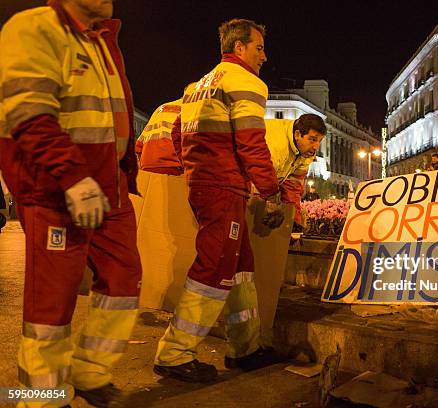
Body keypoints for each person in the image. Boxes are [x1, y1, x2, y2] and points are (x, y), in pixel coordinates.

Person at [0, 0, 142, 406]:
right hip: (56, 189)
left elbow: (114, 117)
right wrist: (73, 178)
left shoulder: (101, 39)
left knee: (124, 279)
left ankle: (90, 372)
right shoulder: (34, 28)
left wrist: (121, 173)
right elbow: (29, 113)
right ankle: (43, 396)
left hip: (107, 186)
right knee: (52, 303)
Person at [154, 18, 283, 382]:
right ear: (238, 48)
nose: (264, 55)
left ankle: (246, 348)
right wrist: (270, 192)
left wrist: (195, 168)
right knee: (214, 267)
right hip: (224, 188)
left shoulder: (196, 87)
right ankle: (175, 353)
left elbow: (178, 132)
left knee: (239, 265)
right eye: (258, 47)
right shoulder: (245, 81)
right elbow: (251, 142)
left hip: (205, 185)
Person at [265, 114, 326, 223]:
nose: (316, 146)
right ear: (297, 134)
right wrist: (272, 202)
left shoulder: (306, 152)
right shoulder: (276, 145)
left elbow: (292, 187)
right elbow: (259, 178)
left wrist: (294, 221)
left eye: (319, 141)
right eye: (313, 139)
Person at [135, 99, 183, 175]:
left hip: (147, 166)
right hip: (173, 166)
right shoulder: (191, 109)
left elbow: (139, 144)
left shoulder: (161, 108)